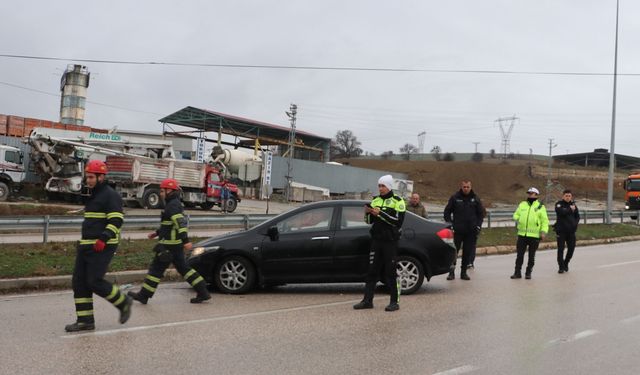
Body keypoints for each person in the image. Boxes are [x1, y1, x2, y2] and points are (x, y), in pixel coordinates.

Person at [65, 160, 132, 332]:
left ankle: (123, 301)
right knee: (79, 283)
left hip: (103, 245)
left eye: (92, 177)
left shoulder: (111, 195)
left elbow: (116, 220)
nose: (88, 180)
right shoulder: (94, 194)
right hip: (87, 245)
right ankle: (85, 321)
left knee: (94, 281)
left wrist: (103, 238)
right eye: (87, 177)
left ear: (101, 177)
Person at [128, 178, 211, 304]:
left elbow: (179, 224)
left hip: (168, 246)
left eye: (162, 191)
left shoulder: (172, 205)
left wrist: (186, 241)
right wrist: (157, 233)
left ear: (169, 191)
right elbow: (169, 225)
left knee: (155, 270)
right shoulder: (173, 203)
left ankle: (144, 295)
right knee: (184, 269)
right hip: (174, 246)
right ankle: (203, 291)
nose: (160, 193)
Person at [353, 174, 406, 312]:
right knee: (371, 271)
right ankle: (367, 301)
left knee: (391, 272)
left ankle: (394, 302)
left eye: (383, 186)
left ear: (389, 186)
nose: (380, 188)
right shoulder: (375, 200)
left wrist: (380, 213)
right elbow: (369, 221)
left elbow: (397, 222)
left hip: (390, 242)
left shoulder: (398, 201)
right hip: (376, 240)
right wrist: (367, 213)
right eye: (379, 186)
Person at [443, 180, 485, 280]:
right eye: (464, 187)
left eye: (468, 187)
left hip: (470, 232)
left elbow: (481, 214)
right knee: (454, 252)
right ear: (461, 187)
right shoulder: (455, 198)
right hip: (457, 231)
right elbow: (447, 212)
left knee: (467, 252)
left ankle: (463, 273)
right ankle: (451, 272)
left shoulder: (475, 198)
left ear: (471, 187)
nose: (466, 188)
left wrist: (478, 226)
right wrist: (450, 224)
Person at [511, 187, 549, 280]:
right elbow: (515, 215)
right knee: (519, 255)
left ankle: (528, 272)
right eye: (529, 193)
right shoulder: (522, 204)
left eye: (532, 193)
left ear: (536, 195)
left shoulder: (540, 206)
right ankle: (517, 273)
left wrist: (543, 232)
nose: (530, 195)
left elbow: (545, 221)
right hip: (522, 234)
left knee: (531, 256)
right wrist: (519, 219)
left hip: (534, 236)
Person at [554, 189, 580, 273]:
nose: (568, 197)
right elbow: (561, 212)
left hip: (571, 232)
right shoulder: (559, 204)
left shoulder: (574, 205)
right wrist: (570, 209)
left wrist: (575, 224)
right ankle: (561, 267)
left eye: (569, 196)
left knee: (571, 249)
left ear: (571, 197)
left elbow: (577, 216)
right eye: (566, 196)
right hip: (561, 231)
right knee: (561, 249)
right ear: (563, 196)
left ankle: (566, 263)